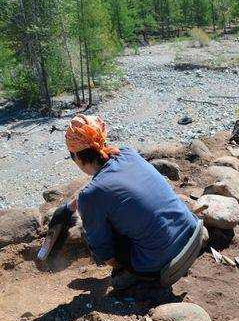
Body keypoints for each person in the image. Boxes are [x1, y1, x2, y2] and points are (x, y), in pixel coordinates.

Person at [48, 114, 201, 290]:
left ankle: (130, 278)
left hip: (164, 262)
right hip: (192, 235)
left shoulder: (92, 195)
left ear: (77, 157)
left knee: (98, 233)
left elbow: (102, 250)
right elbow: (114, 188)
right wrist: (75, 204)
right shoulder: (127, 153)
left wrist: (119, 267)